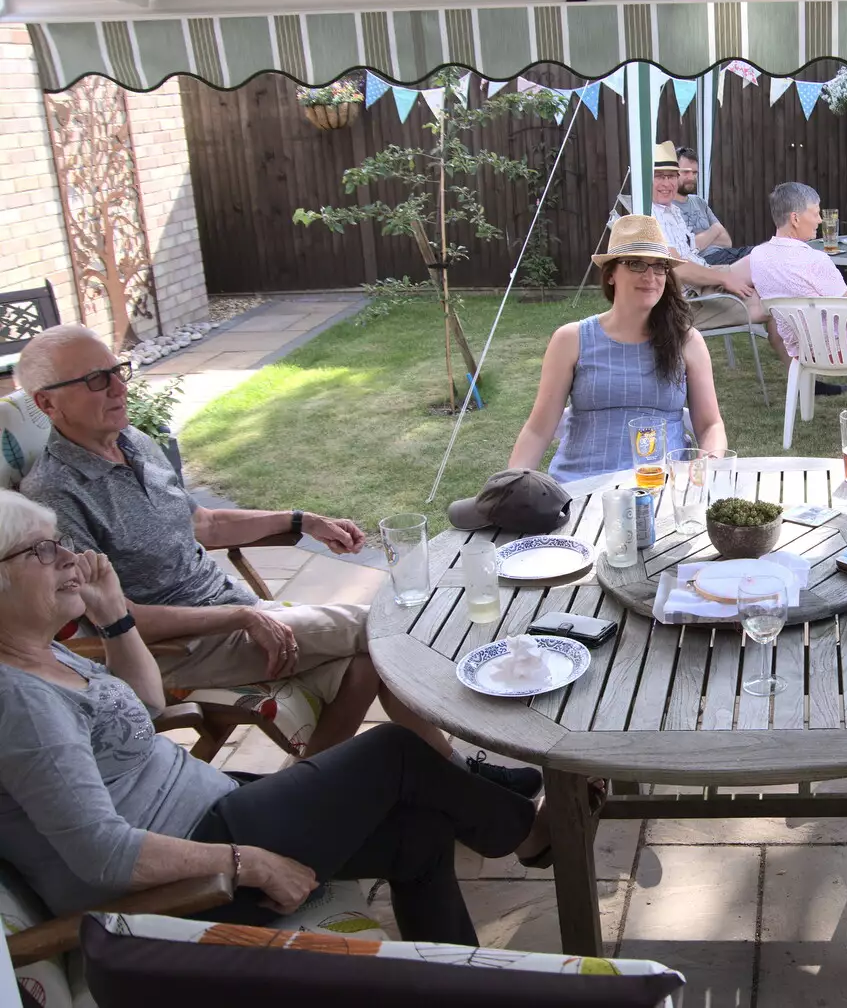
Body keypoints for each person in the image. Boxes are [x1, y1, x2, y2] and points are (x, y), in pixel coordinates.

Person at [0, 491, 568, 945]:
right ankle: (531, 832)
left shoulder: (42, 652)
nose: (69, 558)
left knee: (418, 832)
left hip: (211, 812)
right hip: (182, 877)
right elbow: (102, 854)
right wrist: (250, 863)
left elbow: (147, 708)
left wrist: (117, 617)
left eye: (61, 543)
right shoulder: (18, 701)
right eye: (41, 550)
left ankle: (453, 986)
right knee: (390, 752)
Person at [13, 326, 534, 788]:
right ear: (47, 404)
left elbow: (204, 523)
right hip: (180, 647)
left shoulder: (134, 443)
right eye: (96, 380)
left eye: (117, 371)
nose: (120, 387)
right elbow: (114, 617)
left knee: (365, 667)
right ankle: (484, 744)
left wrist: (301, 522)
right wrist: (241, 615)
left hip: (237, 613)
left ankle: (318, 795)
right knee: (384, 628)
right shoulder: (56, 499)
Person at [508, 214, 729, 481]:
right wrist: (509, 487)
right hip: (580, 488)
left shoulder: (686, 341)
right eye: (636, 264)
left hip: (661, 487)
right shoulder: (571, 339)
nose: (650, 276)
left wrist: (709, 464)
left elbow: (710, 425)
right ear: (610, 274)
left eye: (659, 267)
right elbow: (538, 430)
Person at [749, 181, 847, 417]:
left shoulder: (757, 256)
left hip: (801, 351)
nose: (821, 220)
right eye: (815, 213)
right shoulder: (816, 261)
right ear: (795, 218)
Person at [647, 142, 759, 332]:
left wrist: (721, 276)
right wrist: (723, 278)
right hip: (687, 302)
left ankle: (803, 358)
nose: (667, 183)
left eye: (672, 176)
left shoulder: (672, 210)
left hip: (703, 279)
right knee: (772, 304)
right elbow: (677, 269)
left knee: (763, 262)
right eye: (660, 176)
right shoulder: (650, 216)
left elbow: (718, 244)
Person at [675, 147, 752, 266]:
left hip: (726, 254)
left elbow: (727, 241)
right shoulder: (669, 208)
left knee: (760, 253)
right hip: (705, 262)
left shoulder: (699, 202)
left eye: (694, 173)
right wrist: (714, 230)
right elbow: (686, 249)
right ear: (674, 172)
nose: (691, 178)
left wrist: (699, 240)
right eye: (685, 172)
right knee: (754, 263)